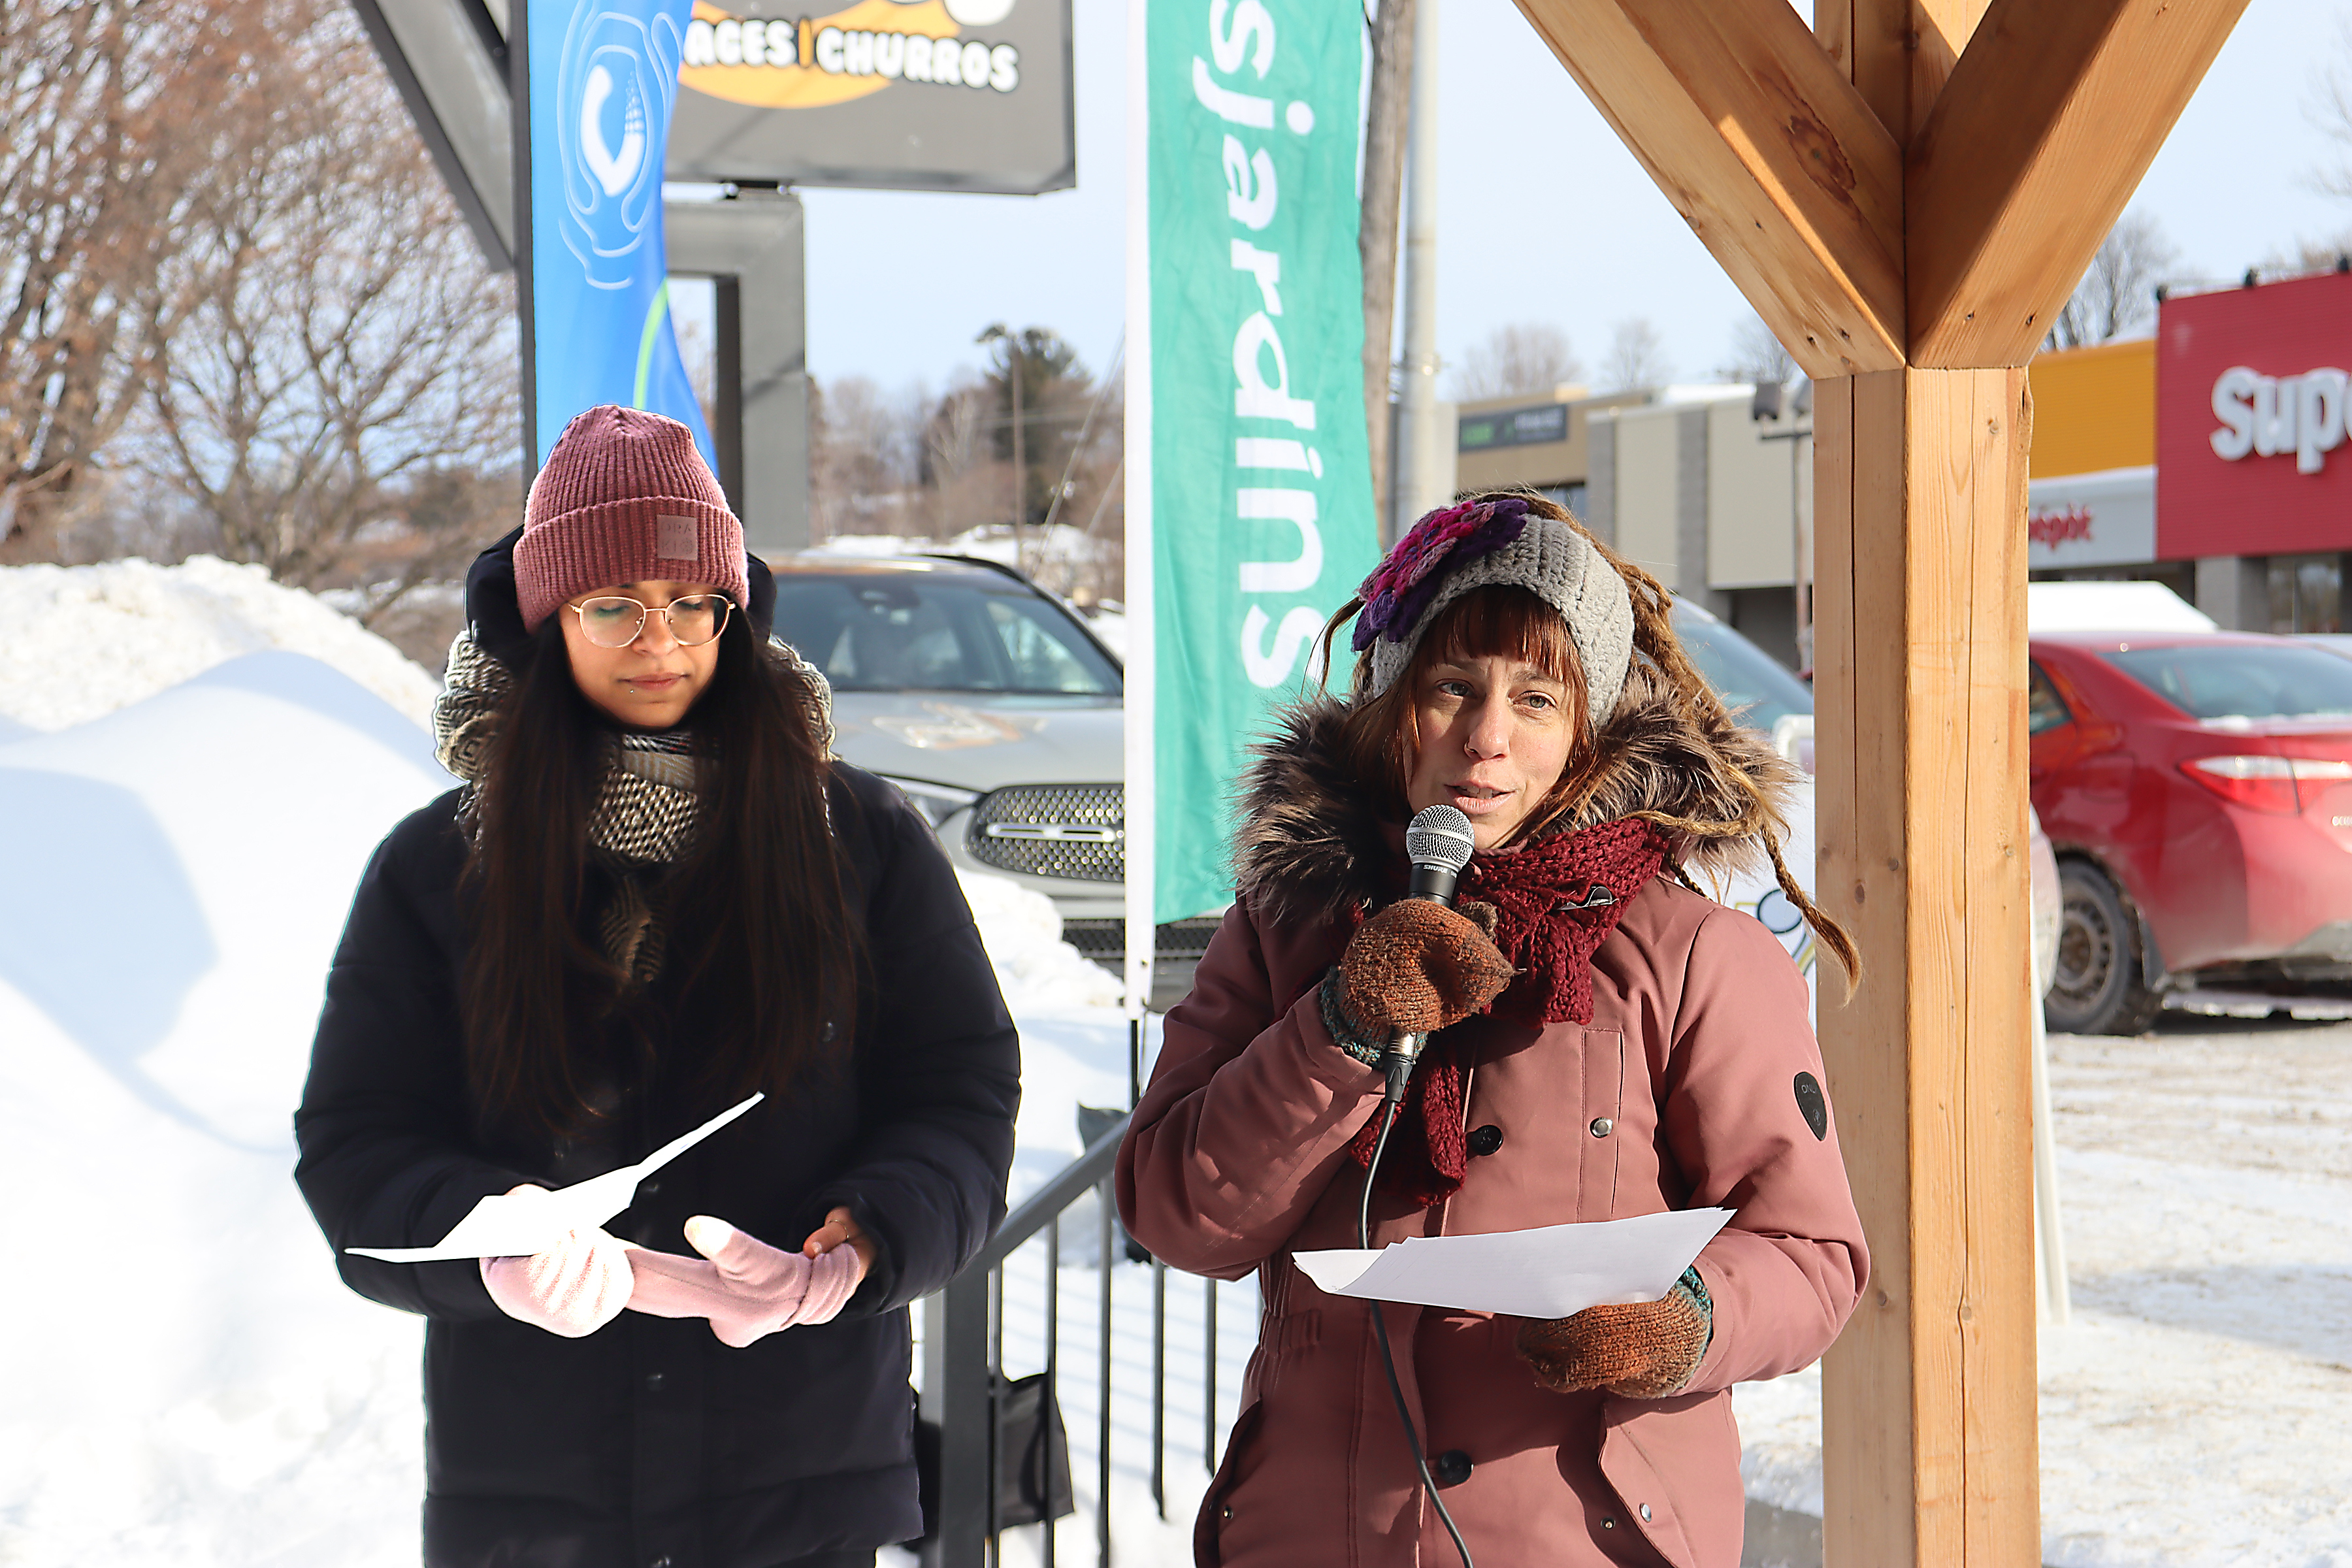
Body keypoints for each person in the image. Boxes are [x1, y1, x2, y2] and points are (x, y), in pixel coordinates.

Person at [295, 406, 1021, 1568]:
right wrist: (495, 1254)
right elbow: (355, 1144)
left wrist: (866, 1241)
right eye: (612, 606)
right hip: (537, 1500)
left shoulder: (860, 837)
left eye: (693, 602)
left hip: (801, 1479)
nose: (661, 639)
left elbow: (960, 1090)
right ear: (545, 621)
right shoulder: (442, 866)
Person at [1116, 493, 1868, 1568]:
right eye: (1453, 688)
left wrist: (1686, 1324)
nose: (1487, 739)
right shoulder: (1287, 926)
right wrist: (1341, 1028)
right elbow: (1179, 1212)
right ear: (1394, 706)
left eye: (1538, 698)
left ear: (1587, 735)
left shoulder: (1695, 953)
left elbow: (1812, 1251)